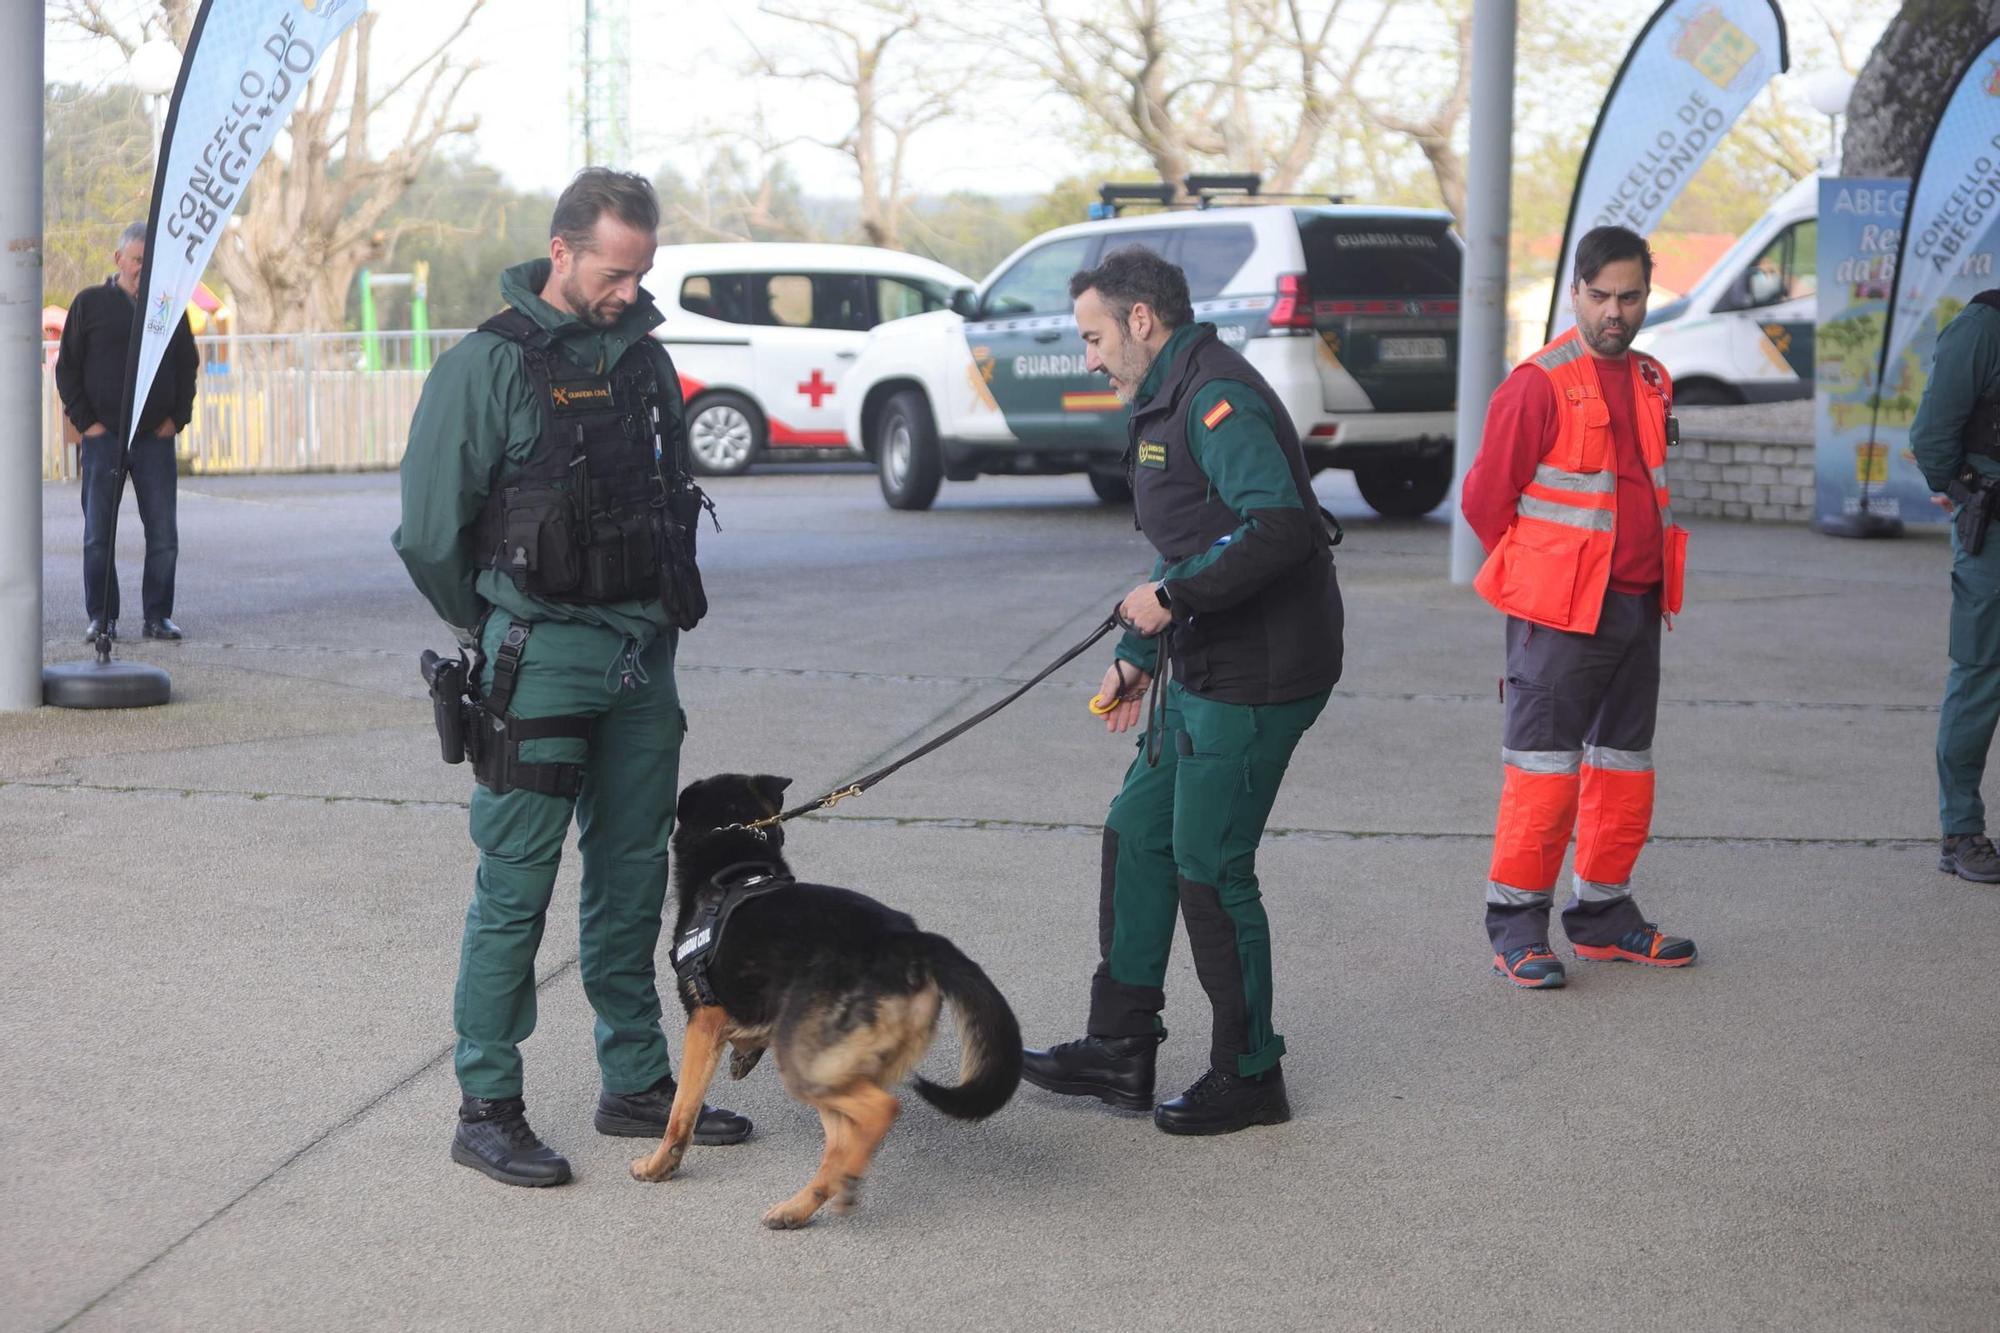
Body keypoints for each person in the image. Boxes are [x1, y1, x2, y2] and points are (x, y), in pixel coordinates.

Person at [392, 168, 748, 1189]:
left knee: (633, 875)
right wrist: (496, 620)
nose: (628, 290)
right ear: (560, 250)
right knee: (515, 890)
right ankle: (486, 1103)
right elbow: (426, 533)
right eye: (610, 270)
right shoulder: (485, 366)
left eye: (640, 273)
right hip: (538, 662)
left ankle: (635, 1079)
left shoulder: (645, 362)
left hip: (645, 660)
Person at [1021, 246, 1343, 1136]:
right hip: (1202, 660)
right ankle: (1119, 1050)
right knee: (1136, 830)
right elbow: (1195, 533)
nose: (1088, 357)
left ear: (1139, 319)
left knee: (1210, 863)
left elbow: (1281, 526)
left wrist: (1168, 599)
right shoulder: (1171, 391)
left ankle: (1250, 1073)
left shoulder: (1213, 396)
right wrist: (1138, 649)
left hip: (1261, 673)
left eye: (1093, 337)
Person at [1460, 225, 1695, 989]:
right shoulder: (1538, 383)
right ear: (1576, 293)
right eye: (1600, 297)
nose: (1615, 313)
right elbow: (1484, 500)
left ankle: (1603, 916)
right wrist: (1540, 572)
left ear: (1646, 295)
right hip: (1559, 615)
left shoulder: (1655, 378)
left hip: (1637, 605)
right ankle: (1517, 929)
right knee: (1543, 774)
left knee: (1624, 771)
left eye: (1629, 297)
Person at [54, 221, 196, 643]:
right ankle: (102, 618)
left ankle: (158, 616)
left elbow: (187, 365)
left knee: (164, 534)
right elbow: (67, 370)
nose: (141, 268)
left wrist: (177, 418)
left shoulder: (168, 306)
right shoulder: (89, 304)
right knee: (99, 534)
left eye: (148, 261)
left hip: (153, 436)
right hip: (105, 440)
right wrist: (88, 425)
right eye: (136, 260)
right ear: (118, 260)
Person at [1910, 291, 2000, 883]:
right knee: (1979, 674)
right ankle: (1960, 831)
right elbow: (1931, 437)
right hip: (1994, 535)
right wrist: (1967, 494)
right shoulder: (1983, 328)